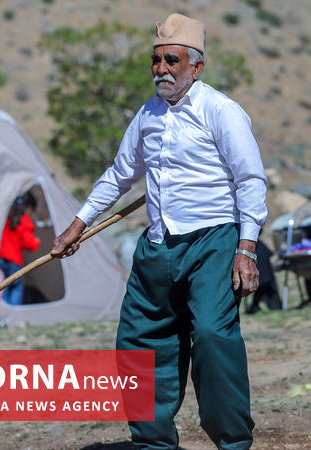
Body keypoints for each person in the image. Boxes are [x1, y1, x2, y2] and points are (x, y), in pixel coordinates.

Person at [51, 13, 267, 449]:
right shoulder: (147, 114)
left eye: (172, 60)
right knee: (137, 342)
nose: (161, 69)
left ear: (196, 67)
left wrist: (247, 249)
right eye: (156, 60)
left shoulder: (220, 111)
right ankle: (153, 442)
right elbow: (119, 174)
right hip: (157, 247)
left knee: (211, 335)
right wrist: (78, 225)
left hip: (213, 242)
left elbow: (250, 180)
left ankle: (232, 442)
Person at [0, 191, 40, 305]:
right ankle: (14, 311)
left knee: (2, 286)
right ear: (29, 207)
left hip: (0, 258)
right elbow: (28, 243)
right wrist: (36, 242)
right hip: (14, 261)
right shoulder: (24, 219)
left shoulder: (8, 215)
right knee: (16, 287)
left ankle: (4, 312)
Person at [246, 235, 280, 314]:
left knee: (265, 282)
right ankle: (256, 305)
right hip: (251, 248)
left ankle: (258, 305)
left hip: (254, 245)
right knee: (262, 282)